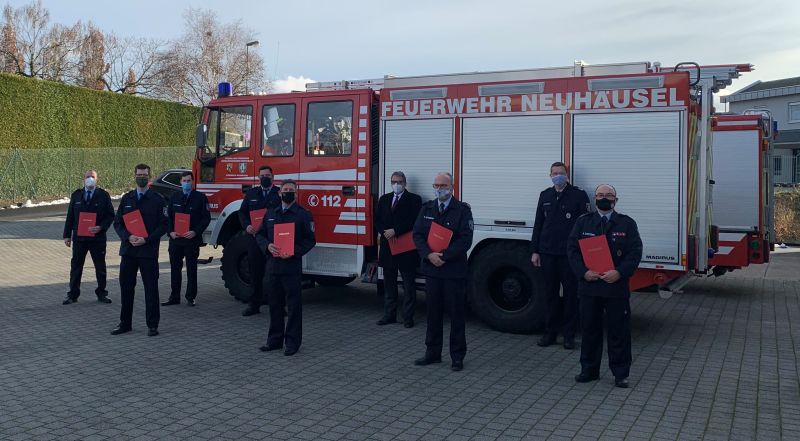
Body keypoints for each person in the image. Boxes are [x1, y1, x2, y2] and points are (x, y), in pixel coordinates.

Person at [567, 184, 642, 388]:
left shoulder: (627, 224)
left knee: (619, 332)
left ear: (615, 200)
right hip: (589, 286)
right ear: (594, 198)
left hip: (615, 287)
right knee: (590, 330)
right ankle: (589, 370)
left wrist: (619, 272)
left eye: (609, 195)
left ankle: (620, 373)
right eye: (600, 195)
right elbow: (572, 251)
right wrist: (584, 273)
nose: (604, 198)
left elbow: (635, 253)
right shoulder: (583, 222)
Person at [412, 172, 473, 372]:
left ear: (452, 187)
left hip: (453, 271)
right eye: (436, 185)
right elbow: (417, 235)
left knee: (456, 315)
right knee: (433, 314)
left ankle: (457, 356)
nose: (439, 189)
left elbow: (465, 240)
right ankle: (432, 353)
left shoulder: (462, 210)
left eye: (443, 185)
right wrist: (429, 255)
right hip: (432, 270)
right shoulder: (427, 208)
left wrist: (443, 256)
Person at [530, 162, 590, 349]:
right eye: (554, 173)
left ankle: (569, 336)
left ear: (567, 175)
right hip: (548, 253)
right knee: (550, 295)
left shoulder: (579, 196)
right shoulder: (545, 195)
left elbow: (586, 226)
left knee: (571, 295)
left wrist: (583, 254)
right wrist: (535, 251)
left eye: (561, 173)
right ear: (550, 175)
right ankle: (550, 334)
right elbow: (538, 224)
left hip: (569, 255)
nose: (558, 176)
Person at [256, 180, 316, 356]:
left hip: (291, 267)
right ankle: (274, 341)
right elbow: (260, 235)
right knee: (275, 306)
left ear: (296, 194)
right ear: (279, 193)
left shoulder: (304, 215)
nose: (288, 192)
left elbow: (310, 240)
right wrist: (267, 246)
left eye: (291, 190)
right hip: (273, 267)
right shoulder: (271, 213)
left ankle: (292, 343)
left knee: (294, 307)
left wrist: (294, 252)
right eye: (285, 190)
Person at [111, 164, 168, 337]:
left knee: (151, 289)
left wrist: (147, 239)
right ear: (134, 176)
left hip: (148, 252)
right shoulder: (127, 198)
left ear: (149, 177)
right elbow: (118, 223)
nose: (141, 177)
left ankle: (152, 325)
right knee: (126, 288)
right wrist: (127, 237)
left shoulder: (158, 200)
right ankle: (125, 323)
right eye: (138, 174)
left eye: (144, 175)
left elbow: (164, 225)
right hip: (129, 251)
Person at [374, 171, 422, 328]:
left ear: (405, 183)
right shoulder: (384, 199)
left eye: (400, 182)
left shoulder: (414, 200)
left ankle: (408, 317)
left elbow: (414, 220)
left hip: (406, 248)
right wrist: (384, 232)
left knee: (408, 285)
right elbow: (377, 219)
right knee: (389, 285)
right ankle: (389, 315)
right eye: (394, 181)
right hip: (388, 248)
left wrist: (396, 230)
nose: (397, 184)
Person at [62, 170, 115, 305]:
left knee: (100, 267)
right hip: (80, 238)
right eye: (87, 177)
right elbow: (70, 216)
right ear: (83, 179)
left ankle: (102, 293)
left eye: (93, 177)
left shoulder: (103, 195)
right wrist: (67, 235)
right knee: (76, 267)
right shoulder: (77, 195)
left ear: (97, 179)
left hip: (97, 238)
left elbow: (110, 215)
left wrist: (101, 227)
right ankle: (73, 294)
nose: (90, 179)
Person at [162, 171, 211, 307]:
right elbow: (167, 218)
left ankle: (190, 297)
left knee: (191, 269)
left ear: (193, 182)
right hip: (176, 240)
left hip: (191, 240)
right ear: (180, 182)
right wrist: (170, 232)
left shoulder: (200, 198)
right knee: (175, 269)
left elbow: (205, 218)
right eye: (184, 181)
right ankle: (174, 297)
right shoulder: (174, 197)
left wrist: (195, 232)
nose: (187, 183)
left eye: (189, 180)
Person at [239, 165, 281, 316]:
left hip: (273, 240)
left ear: (273, 177)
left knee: (274, 275)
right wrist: (247, 226)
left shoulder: (279, 194)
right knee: (255, 273)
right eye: (262, 176)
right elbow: (242, 213)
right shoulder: (252, 193)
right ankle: (254, 305)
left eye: (268, 175)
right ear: (258, 178)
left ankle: (277, 307)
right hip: (255, 239)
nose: (265, 178)